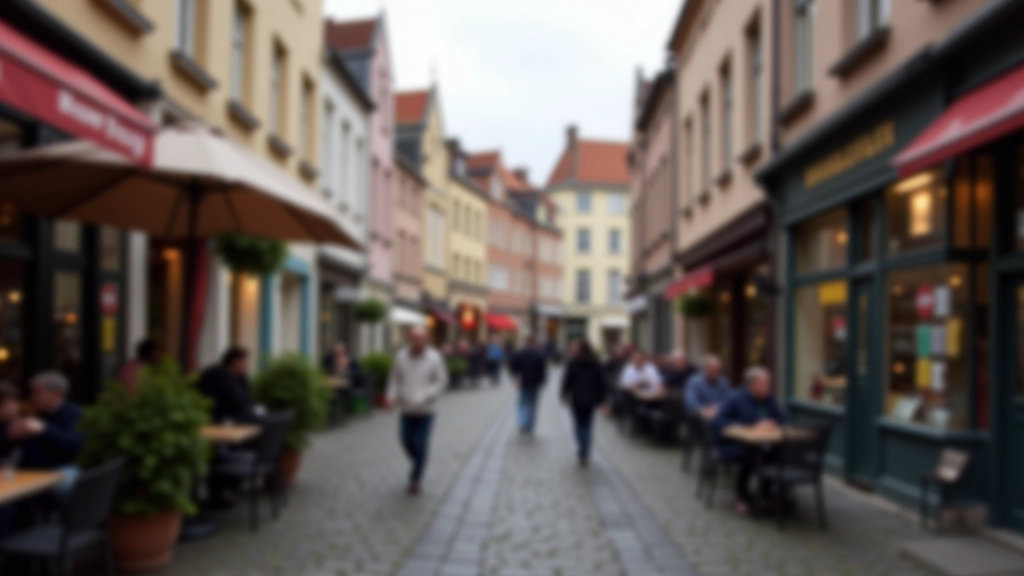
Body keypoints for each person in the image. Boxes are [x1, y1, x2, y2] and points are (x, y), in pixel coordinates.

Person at [712, 366, 786, 515]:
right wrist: (749, 426)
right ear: (752, 384)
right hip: (733, 444)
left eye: (769, 383)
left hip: (763, 442)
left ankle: (765, 493)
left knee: (777, 453)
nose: (768, 387)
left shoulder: (769, 399)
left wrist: (774, 423)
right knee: (750, 455)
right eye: (765, 383)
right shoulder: (735, 398)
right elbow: (717, 422)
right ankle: (742, 497)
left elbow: (783, 420)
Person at [386, 326, 448, 495]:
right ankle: (419, 462)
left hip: (426, 410)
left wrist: (427, 395)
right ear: (410, 339)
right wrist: (391, 396)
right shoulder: (401, 357)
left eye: (422, 338)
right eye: (415, 338)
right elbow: (394, 378)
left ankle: (415, 479)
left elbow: (441, 381)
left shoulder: (434, 358)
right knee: (405, 440)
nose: (418, 341)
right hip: (406, 408)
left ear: (426, 340)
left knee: (420, 443)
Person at [11, 372, 85, 496]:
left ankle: (68, 516)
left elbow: (74, 445)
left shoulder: (74, 414)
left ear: (56, 395)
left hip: (59, 468)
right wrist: (12, 435)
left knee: (67, 482)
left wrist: (44, 429)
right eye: (32, 393)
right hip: (28, 470)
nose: (32, 398)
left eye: (37, 393)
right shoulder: (30, 412)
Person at [560, 340, 607, 467]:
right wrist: (601, 399)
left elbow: (567, 381)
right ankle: (585, 451)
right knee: (587, 425)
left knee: (579, 425)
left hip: (577, 398)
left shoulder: (573, 363)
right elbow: (601, 383)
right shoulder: (596, 363)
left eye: (575, 348)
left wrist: (563, 396)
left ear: (580, 350)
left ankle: (582, 451)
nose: (573, 350)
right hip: (591, 399)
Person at [197, 347, 261, 424]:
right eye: (244, 362)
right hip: (218, 417)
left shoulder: (240, 377)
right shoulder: (219, 375)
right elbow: (236, 400)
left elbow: (247, 399)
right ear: (235, 362)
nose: (246, 365)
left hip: (234, 416)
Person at [510, 335, 548, 436]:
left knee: (522, 404)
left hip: (524, 382)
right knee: (533, 406)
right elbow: (543, 370)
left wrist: (516, 377)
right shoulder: (539, 354)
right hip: (535, 383)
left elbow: (513, 366)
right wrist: (543, 381)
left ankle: (523, 422)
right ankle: (530, 426)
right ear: (534, 343)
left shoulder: (520, 353)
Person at [684, 354, 733, 419]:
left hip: (720, 414)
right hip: (699, 418)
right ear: (705, 368)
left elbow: (728, 399)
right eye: (713, 369)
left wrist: (718, 407)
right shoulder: (694, 382)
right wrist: (705, 410)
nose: (716, 372)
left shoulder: (723, 382)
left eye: (718, 370)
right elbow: (691, 402)